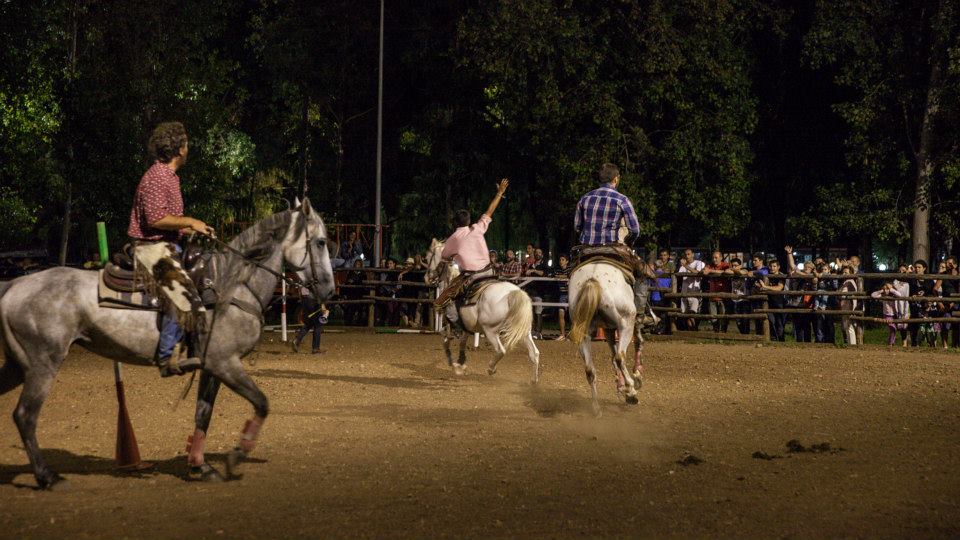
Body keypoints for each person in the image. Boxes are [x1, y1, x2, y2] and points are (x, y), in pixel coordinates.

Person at [127, 121, 214, 377]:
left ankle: (188, 348)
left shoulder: (170, 177)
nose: (188, 148)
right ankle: (167, 356)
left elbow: (167, 222)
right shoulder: (157, 177)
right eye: (186, 144)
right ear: (179, 150)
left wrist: (195, 229)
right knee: (183, 294)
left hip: (165, 243)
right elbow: (154, 220)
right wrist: (190, 221)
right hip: (150, 248)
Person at [573, 163, 643, 326]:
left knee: (572, 271)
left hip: (587, 250)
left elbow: (577, 226)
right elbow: (635, 229)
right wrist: (628, 241)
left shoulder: (585, 198)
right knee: (641, 272)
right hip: (613, 248)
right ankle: (640, 312)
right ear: (615, 179)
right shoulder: (622, 200)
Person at [439, 178, 509, 331]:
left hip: (471, 276)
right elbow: (490, 210)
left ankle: (458, 327)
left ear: (455, 223)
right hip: (490, 272)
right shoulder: (477, 228)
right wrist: (499, 193)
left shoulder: (454, 238)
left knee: (445, 299)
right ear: (469, 220)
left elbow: (444, 256)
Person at [290, 287, 328, 354]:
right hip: (313, 300)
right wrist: (322, 303)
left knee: (308, 324)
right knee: (318, 325)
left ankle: (297, 340)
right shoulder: (314, 278)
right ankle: (315, 348)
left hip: (305, 300)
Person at [757, 258, 786, 341]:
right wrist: (759, 287)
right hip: (769, 302)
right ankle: (773, 339)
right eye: (771, 266)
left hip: (779, 302)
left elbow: (779, 288)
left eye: (774, 266)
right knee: (771, 321)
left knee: (780, 323)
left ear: (778, 267)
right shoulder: (767, 276)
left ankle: (781, 340)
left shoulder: (781, 275)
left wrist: (765, 287)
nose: (772, 268)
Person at [677, 248, 706, 330]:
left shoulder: (699, 263)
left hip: (694, 293)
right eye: (686, 254)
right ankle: (690, 330)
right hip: (684, 291)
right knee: (685, 314)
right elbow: (679, 274)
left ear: (693, 254)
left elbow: (697, 272)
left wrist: (686, 266)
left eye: (689, 254)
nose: (687, 256)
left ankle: (694, 329)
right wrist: (681, 265)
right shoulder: (683, 265)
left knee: (693, 313)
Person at [703, 250, 731, 333]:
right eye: (713, 257)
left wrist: (711, 271)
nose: (714, 259)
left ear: (721, 258)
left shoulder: (725, 265)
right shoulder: (710, 265)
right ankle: (716, 332)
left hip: (723, 296)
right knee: (713, 317)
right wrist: (704, 270)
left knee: (723, 317)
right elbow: (704, 270)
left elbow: (727, 271)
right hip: (712, 296)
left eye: (716, 257)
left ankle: (723, 333)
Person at [871, 281, 903, 346]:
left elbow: (899, 295)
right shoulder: (882, 296)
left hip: (895, 314)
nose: (886, 290)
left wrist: (891, 289)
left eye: (887, 289)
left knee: (894, 330)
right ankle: (890, 343)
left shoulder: (894, 295)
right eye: (885, 289)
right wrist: (882, 291)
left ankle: (891, 343)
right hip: (887, 315)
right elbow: (873, 295)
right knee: (893, 328)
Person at [728, 257, 752, 335]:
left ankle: (746, 334)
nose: (734, 267)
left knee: (745, 319)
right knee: (738, 320)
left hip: (744, 299)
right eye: (732, 265)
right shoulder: (731, 272)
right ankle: (742, 334)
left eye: (736, 265)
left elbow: (741, 273)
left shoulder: (745, 270)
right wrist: (732, 270)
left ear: (740, 265)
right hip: (735, 299)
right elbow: (726, 271)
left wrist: (732, 269)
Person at [838, 264, 860, 345]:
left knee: (849, 326)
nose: (844, 274)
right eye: (843, 272)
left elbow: (853, 296)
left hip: (848, 306)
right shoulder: (846, 282)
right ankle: (850, 343)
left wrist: (853, 308)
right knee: (846, 326)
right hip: (844, 305)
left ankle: (852, 344)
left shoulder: (850, 282)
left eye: (846, 273)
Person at [552, 254, 571, 340]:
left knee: (573, 315)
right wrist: (563, 277)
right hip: (562, 294)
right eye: (560, 260)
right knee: (561, 314)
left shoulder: (570, 269)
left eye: (563, 260)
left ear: (567, 261)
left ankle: (572, 334)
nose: (561, 261)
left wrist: (562, 277)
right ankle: (562, 335)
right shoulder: (557, 269)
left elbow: (570, 276)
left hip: (571, 294)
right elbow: (555, 276)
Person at [893, 264, 912, 346]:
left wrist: (909, 273)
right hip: (899, 304)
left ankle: (910, 342)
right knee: (901, 324)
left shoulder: (909, 281)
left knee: (907, 323)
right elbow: (896, 288)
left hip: (907, 304)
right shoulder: (895, 281)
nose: (902, 272)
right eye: (901, 270)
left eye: (904, 270)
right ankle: (904, 343)